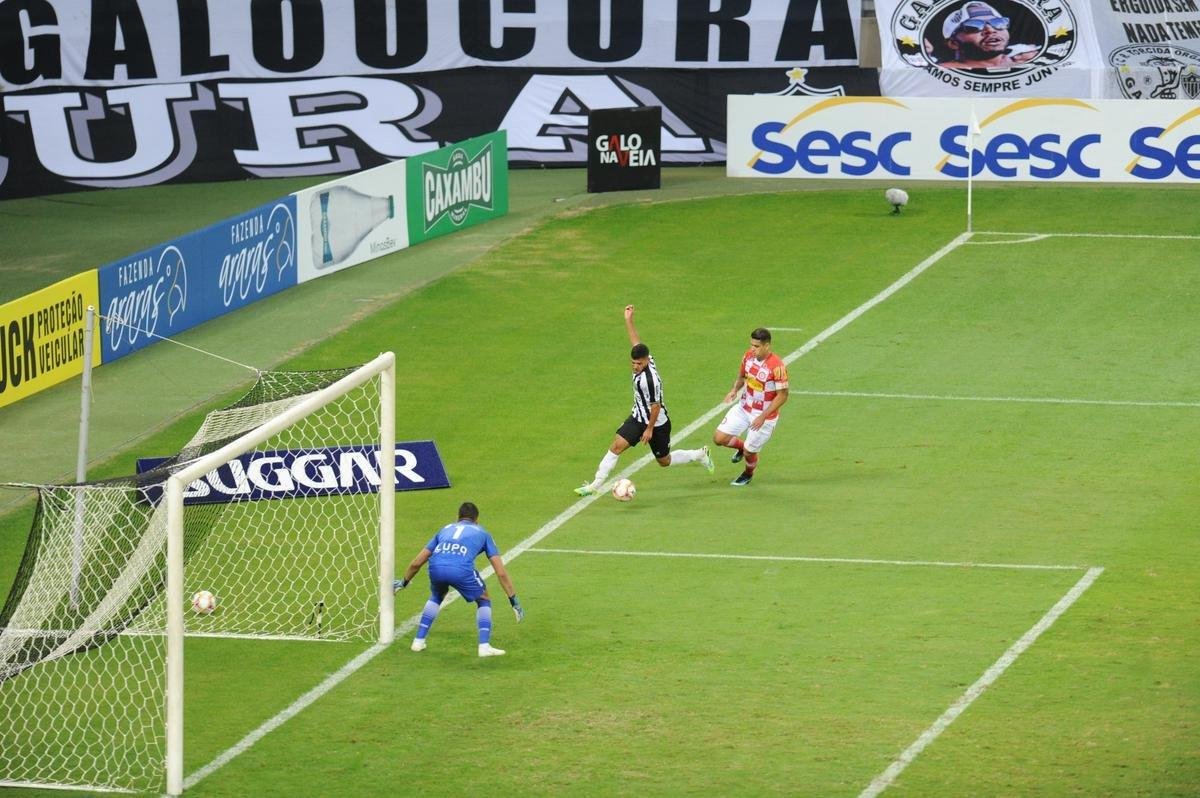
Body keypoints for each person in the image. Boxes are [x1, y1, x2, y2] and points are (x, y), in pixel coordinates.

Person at [574, 305, 714, 496]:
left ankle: (698, 455)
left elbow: (655, 406)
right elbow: (635, 342)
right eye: (633, 363)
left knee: (664, 461)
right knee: (616, 446)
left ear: (647, 361)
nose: (635, 366)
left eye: (639, 364)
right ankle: (595, 485)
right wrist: (628, 320)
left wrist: (649, 429)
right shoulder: (645, 358)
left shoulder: (650, 381)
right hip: (638, 417)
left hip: (657, 423)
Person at [393, 501, 523, 658]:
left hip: (435, 567)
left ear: (458, 517)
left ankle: (418, 641)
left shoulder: (445, 530)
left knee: (436, 595)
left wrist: (403, 582)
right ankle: (484, 646)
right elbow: (500, 572)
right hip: (460, 569)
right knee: (484, 599)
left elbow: (417, 563)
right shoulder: (482, 533)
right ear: (477, 519)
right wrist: (513, 600)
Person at [712, 327, 789, 486]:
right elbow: (741, 376)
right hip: (744, 407)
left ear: (767, 346)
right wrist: (734, 390)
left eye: (756, 346)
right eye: (751, 345)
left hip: (764, 416)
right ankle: (741, 448)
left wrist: (763, 416)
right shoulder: (747, 357)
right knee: (719, 438)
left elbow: (782, 395)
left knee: (750, 451)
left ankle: (748, 473)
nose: (752, 349)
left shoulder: (777, 367)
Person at [938, 1, 1038, 70]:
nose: (990, 30)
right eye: (974, 26)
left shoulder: (1030, 60)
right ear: (953, 43)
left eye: (998, 23)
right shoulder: (942, 72)